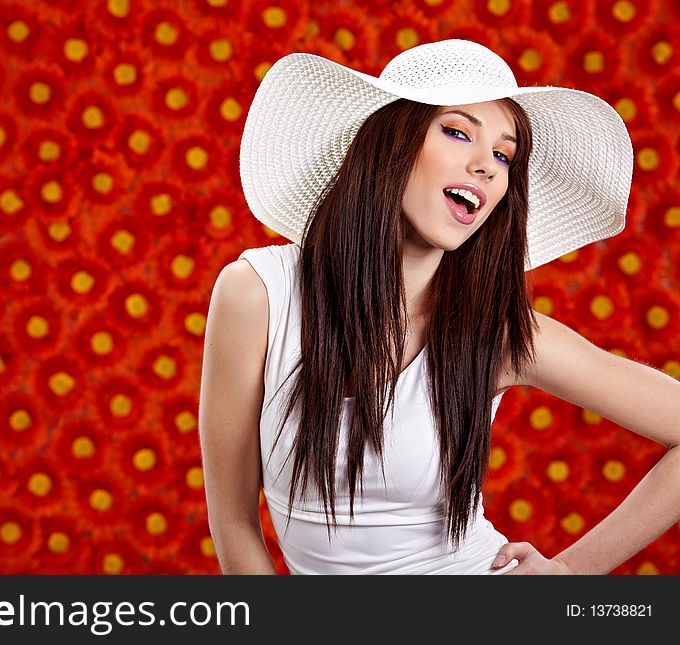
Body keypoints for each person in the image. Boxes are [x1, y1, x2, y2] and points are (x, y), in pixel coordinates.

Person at [199, 39, 679, 574]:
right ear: (391, 142)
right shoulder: (256, 295)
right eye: (457, 132)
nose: (487, 167)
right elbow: (234, 520)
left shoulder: (499, 335)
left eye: (504, 154)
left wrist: (570, 573)